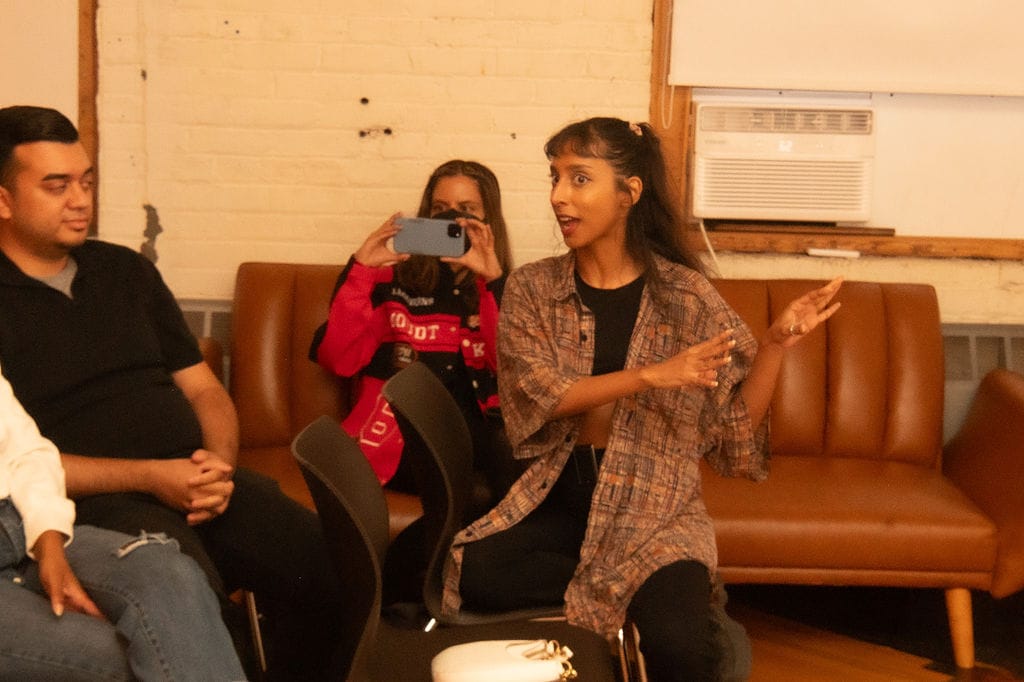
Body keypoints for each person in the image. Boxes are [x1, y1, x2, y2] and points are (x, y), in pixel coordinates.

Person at [444, 117, 843, 682]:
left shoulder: (687, 296)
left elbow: (733, 428)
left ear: (629, 193)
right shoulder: (533, 288)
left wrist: (776, 344)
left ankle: (687, 612)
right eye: (555, 177)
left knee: (681, 651)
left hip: (657, 509)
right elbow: (541, 397)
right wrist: (652, 375)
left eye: (580, 178)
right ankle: (649, 593)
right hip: (561, 496)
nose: (558, 196)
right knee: (472, 571)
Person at [0, 105, 344, 681]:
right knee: (196, 608)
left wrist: (218, 467)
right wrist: (151, 476)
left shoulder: (125, 271)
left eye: (86, 182)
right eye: (57, 187)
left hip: (199, 480)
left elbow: (204, 388)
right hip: (97, 505)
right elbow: (18, 461)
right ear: (4, 201)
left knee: (332, 564)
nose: (80, 200)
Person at [0, 366, 246, 681]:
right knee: (136, 653)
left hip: (22, 525)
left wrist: (48, 541)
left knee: (170, 577)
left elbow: (26, 453)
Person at [309, 160, 516, 504]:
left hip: (482, 438)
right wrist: (361, 272)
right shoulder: (393, 283)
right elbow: (339, 359)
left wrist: (492, 283)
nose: (452, 220)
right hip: (406, 438)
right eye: (440, 209)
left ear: (488, 221)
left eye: (467, 210)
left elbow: (511, 366)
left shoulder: (506, 288)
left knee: (511, 451)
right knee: (478, 490)